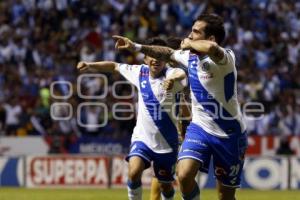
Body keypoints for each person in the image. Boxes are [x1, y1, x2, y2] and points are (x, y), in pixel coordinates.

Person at [113, 14, 248, 200]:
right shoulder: (189, 57)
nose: (190, 36)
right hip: (199, 128)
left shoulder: (225, 59)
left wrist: (188, 44)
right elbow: (167, 52)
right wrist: (136, 46)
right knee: (183, 175)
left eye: (195, 32)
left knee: (225, 196)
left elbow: (211, 48)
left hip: (229, 133)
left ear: (210, 38)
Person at [77, 38, 187, 200]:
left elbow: (181, 73)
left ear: (166, 59)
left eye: (160, 56)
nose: (156, 59)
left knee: (165, 185)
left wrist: (172, 80)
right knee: (134, 172)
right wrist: (90, 65)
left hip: (166, 142)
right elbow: (114, 66)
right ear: (145, 58)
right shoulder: (139, 72)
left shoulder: (171, 73)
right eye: (151, 55)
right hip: (142, 138)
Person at [150, 37, 192, 200]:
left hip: (182, 135)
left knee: (182, 181)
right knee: (162, 183)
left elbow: (186, 110)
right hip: (167, 134)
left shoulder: (184, 75)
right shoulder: (161, 74)